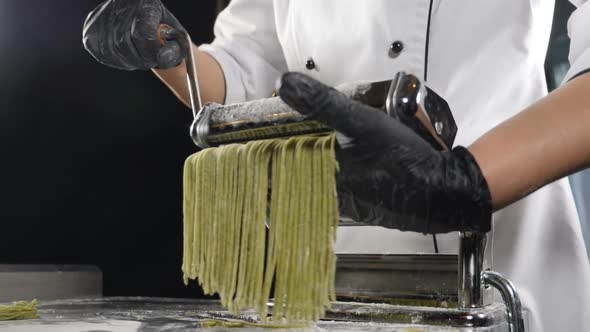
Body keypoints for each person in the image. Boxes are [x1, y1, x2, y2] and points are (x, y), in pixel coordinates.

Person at [82, 0, 590, 330]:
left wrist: (468, 181)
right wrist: (172, 55)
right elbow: (246, 74)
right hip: (335, 268)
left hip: (499, 260)